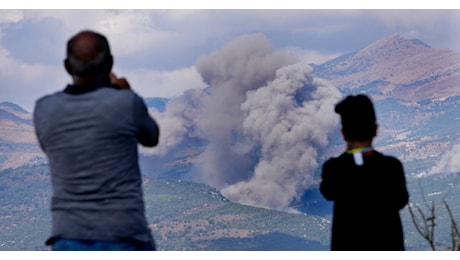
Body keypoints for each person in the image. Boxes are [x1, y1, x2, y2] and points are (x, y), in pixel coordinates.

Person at [33, 30, 160, 251]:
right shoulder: (127, 103)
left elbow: (50, 147)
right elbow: (151, 138)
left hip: (69, 235)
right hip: (124, 234)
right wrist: (125, 92)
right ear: (110, 63)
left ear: (67, 66)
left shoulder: (45, 109)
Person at [319, 94, 409, 251]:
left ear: (344, 134)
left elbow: (328, 192)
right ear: (375, 130)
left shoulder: (334, 169)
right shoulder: (392, 167)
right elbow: (401, 201)